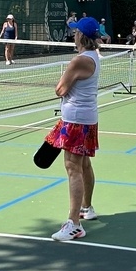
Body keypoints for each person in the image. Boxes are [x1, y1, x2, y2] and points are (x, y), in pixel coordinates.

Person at [46, 16, 103, 241]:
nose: (73, 34)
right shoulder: (94, 57)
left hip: (76, 121)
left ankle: (74, 224)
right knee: (84, 164)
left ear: (82, 36)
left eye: (76, 31)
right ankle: (86, 207)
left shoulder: (79, 60)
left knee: (73, 168)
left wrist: (64, 86)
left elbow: (59, 89)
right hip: (87, 118)